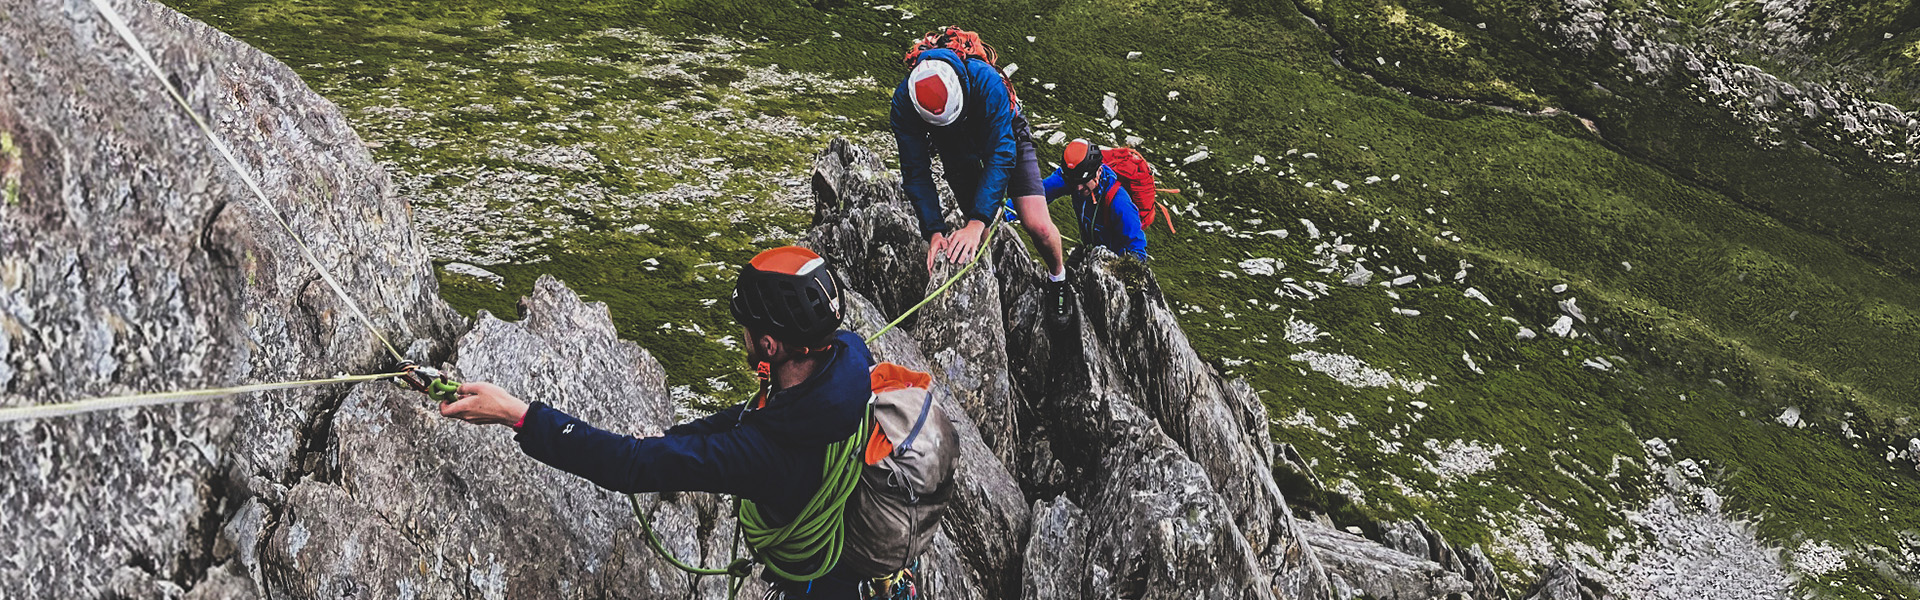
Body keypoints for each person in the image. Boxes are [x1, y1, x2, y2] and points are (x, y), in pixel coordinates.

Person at [440, 246, 890, 599]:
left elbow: (629, 467)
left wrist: (517, 415)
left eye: (747, 329)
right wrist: (674, 438)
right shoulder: (846, 372)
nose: (743, 337)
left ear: (770, 346)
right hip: (857, 578)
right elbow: (749, 418)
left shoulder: (767, 454)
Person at [891, 27, 1071, 318]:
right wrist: (934, 232)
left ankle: (1058, 277)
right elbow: (915, 171)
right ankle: (992, 284)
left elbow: (1002, 152)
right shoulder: (904, 102)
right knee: (979, 229)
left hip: (1006, 134)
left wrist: (975, 222)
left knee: (1036, 224)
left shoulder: (986, 81)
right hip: (954, 146)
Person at [1044, 139, 1149, 262]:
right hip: (1088, 249)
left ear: (1098, 172)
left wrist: (1122, 268)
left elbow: (1138, 251)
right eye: (1075, 183)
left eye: (1084, 182)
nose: (1079, 188)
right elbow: (1038, 193)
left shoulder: (1119, 202)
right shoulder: (1073, 177)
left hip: (1113, 260)